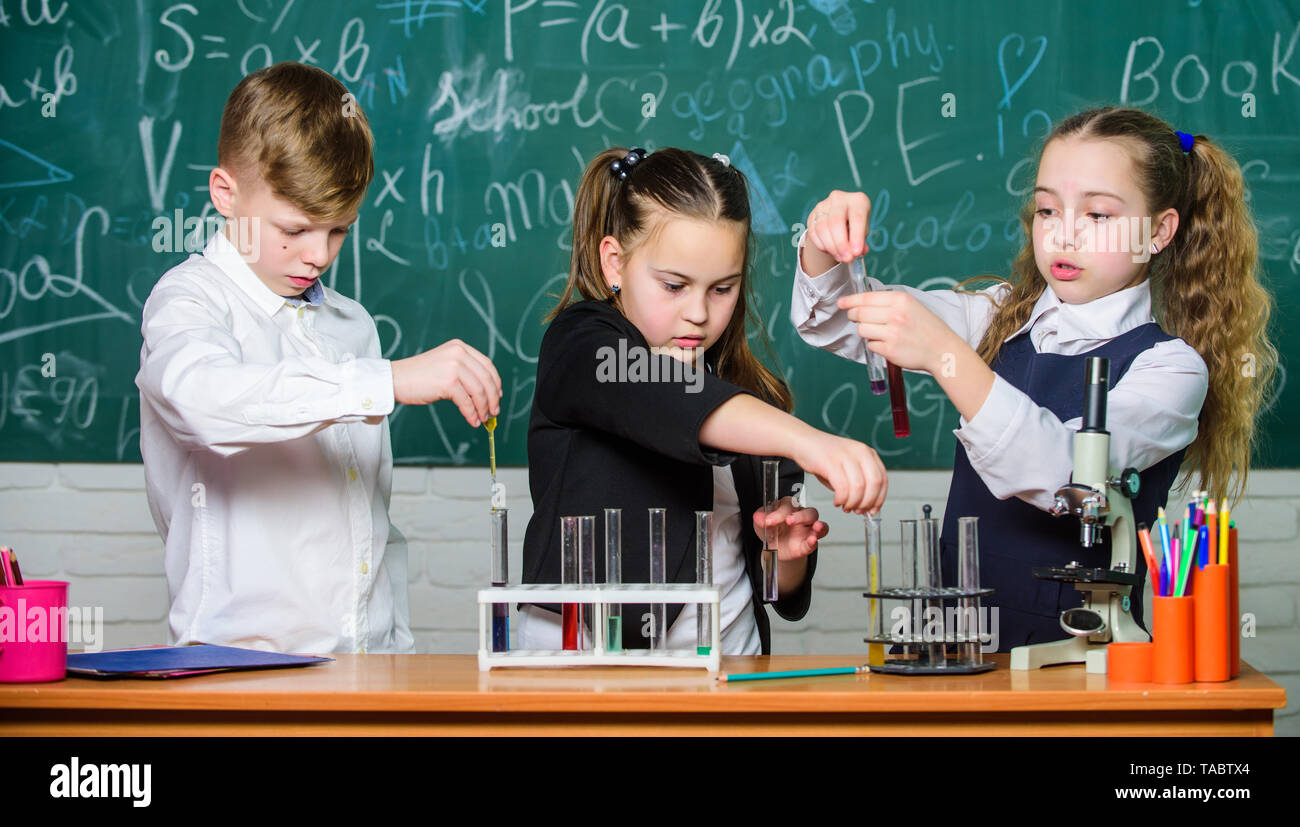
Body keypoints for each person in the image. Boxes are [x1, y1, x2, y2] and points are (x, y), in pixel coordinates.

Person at [791, 107, 1277, 650]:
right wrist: (822, 243)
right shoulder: (997, 318)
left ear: (1159, 231)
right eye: (1047, 209)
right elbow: (836, 319)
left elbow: (1064, 474)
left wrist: (946, 355)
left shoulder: (1170, 368)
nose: (1064, 236)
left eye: (1098, 215)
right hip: (961, 652)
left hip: (1081, 667)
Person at [136, 63, 502, 653]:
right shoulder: (188, 301)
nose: (318, 255)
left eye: (339, 231)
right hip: (241, 670)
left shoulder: (351, 325)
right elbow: (202, 400)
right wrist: (385, 380)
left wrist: (394, 647)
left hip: (371, 664)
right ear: (225, 194)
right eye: (296, 228)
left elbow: (367, 519)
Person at [519, 146, 888, 654]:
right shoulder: (583, 346)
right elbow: (665, 393)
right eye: (673, 285)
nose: (697, 312)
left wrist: (786, 555)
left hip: (730, 666)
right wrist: (812, 443)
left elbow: (781, 593)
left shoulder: (750, 400)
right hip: (589, 668)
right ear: (615, 262)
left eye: (722, 288)